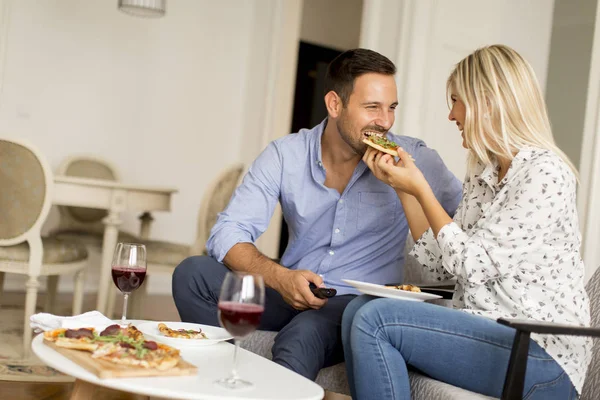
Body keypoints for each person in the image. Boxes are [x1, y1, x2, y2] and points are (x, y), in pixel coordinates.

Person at [172, 48, 462, 380]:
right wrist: (281, 278)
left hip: (357, 305)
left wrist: (413, 191)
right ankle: (217, 380)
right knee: (191, 273)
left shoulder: (416, 160)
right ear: (335, 105)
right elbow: (227, 232)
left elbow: (468, 224)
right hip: (289, 290)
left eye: (391, 108)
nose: (384, 121)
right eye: (372, 108)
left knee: (301, 336)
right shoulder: (285, 154)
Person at [341, 44, 592, 400]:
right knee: (357, 309)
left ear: (486, 102)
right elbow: (443, 267)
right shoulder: (484, 170)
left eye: (457, 100)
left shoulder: (544, 173)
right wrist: (403, 190)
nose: (451, 114)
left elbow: (470, 264)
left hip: (539, 355)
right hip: (490, 329)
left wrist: (421, 188)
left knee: (375, 320)